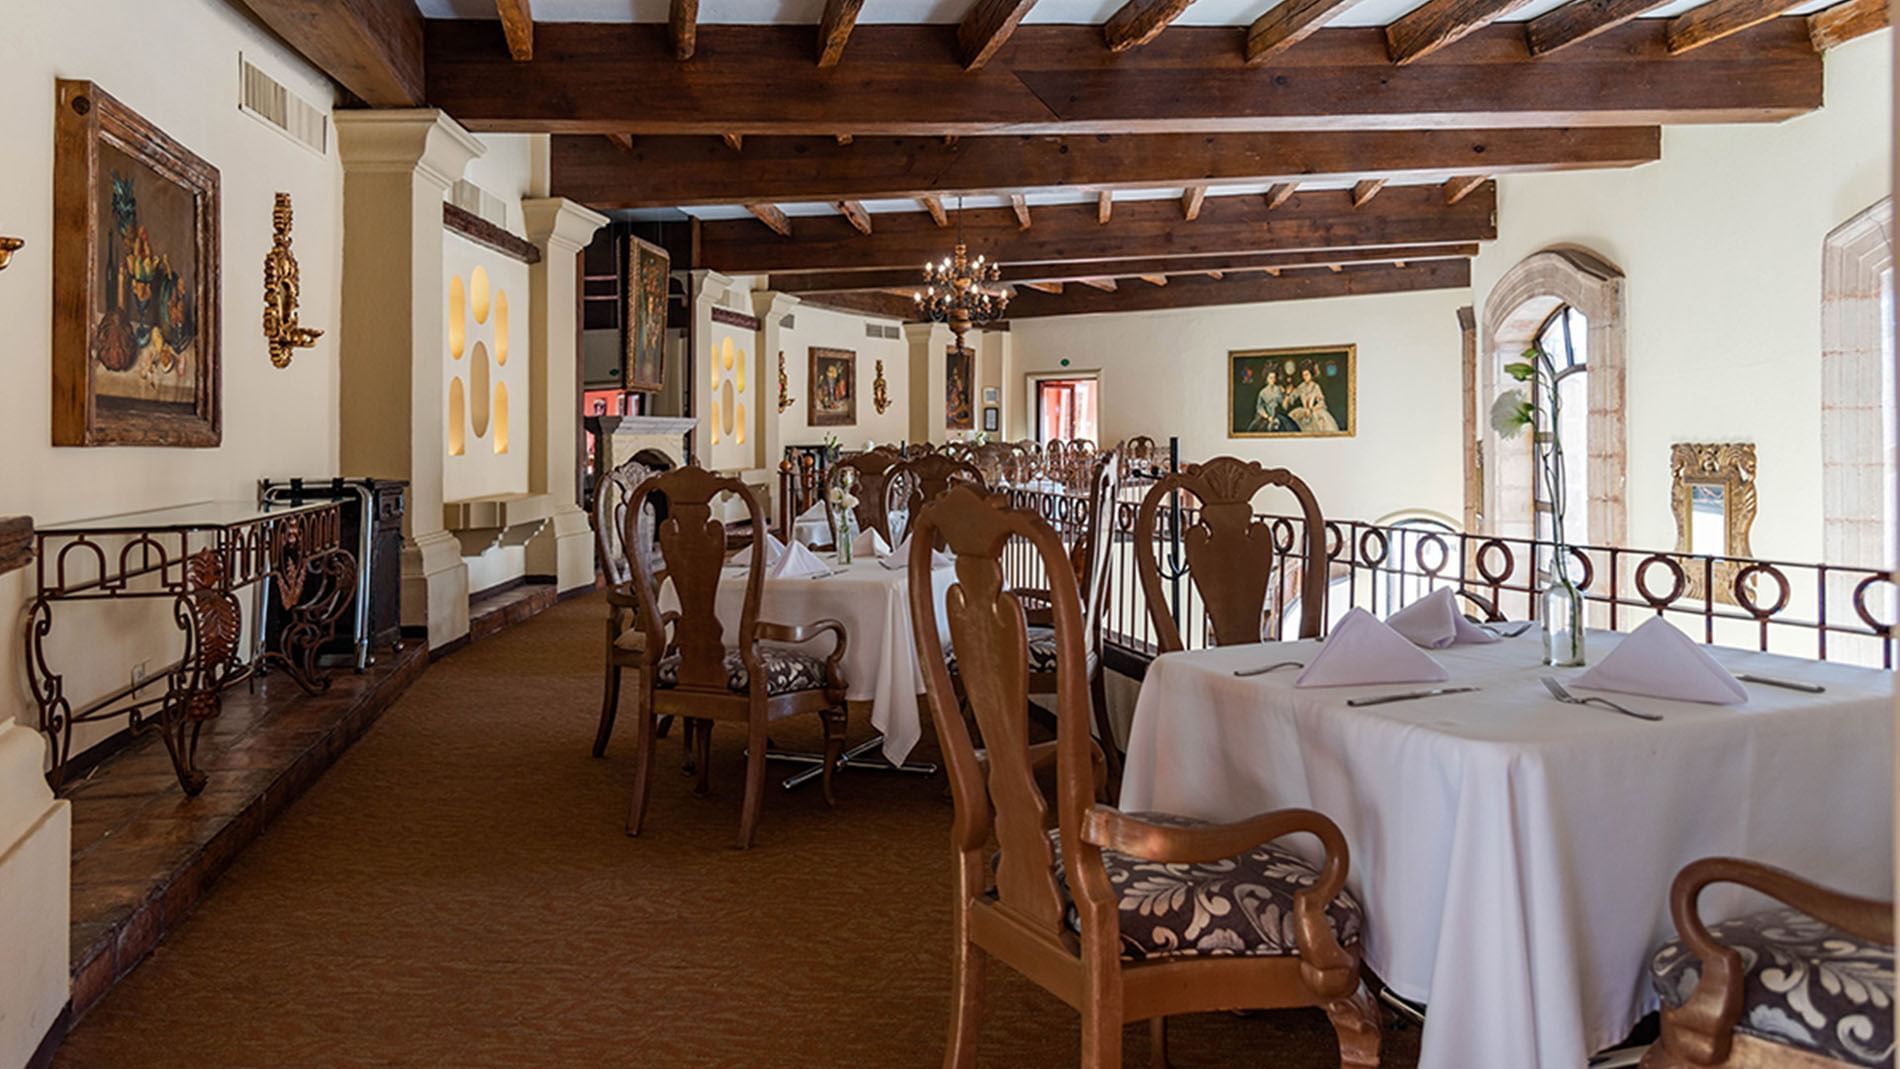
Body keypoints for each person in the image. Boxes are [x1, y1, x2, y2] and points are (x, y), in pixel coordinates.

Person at [1290, 366, 1340, 433]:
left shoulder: (1315, 387)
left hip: (1314, 411)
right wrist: (1288, 396)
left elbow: (1322, 402)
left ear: (1311, 375)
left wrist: (1312, 409)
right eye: (1303, 375)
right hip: (1304, 412)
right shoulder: (1301, 386)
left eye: (1307, 375)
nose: (1305, 377)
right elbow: (1293, 395)